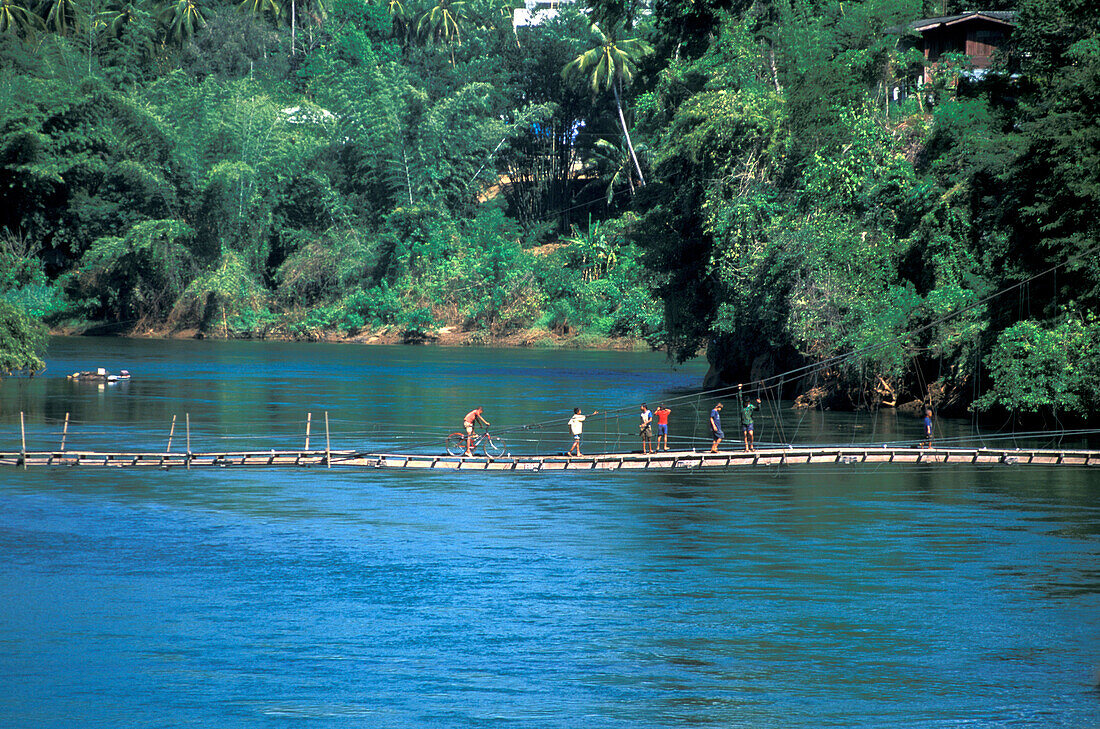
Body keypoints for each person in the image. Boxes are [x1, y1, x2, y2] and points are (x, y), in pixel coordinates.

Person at [739, 384, 761, 452]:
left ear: (749, 402)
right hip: (743, 422)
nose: (746, 404)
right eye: (745, 403)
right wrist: (740, 389)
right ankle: (746, 448)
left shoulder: (751, 406)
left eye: (747, 402)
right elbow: (740, 397)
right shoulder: (742, 405)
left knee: (751, 434)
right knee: (745, 435)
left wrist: (759, 404)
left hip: (750, 422)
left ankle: (751, 446)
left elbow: (757, 409)